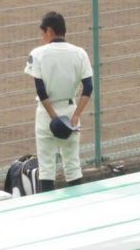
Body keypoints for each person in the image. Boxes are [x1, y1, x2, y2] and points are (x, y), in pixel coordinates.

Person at [25, 12, 93, 191]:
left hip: (46, 114)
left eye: (43, 33)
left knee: (46, 167)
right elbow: (88, 87)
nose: (42, 37)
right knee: (72, 164)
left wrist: (54, 117)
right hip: (71, 112)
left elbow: (40, 90)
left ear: (49, 31)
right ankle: (78, 203)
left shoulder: (38, 54)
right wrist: (76, 115)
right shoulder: (80, 53)